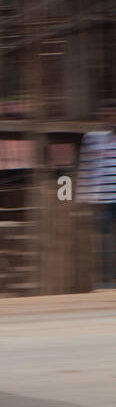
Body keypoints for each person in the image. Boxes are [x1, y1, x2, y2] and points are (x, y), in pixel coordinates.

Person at [77, 104, 116, 287]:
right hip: (102, 200)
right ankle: (105, 280)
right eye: (109, 115)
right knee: (103, 242)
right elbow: (85, 167)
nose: (112, 118)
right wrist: (84, 196)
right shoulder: (93, 139)